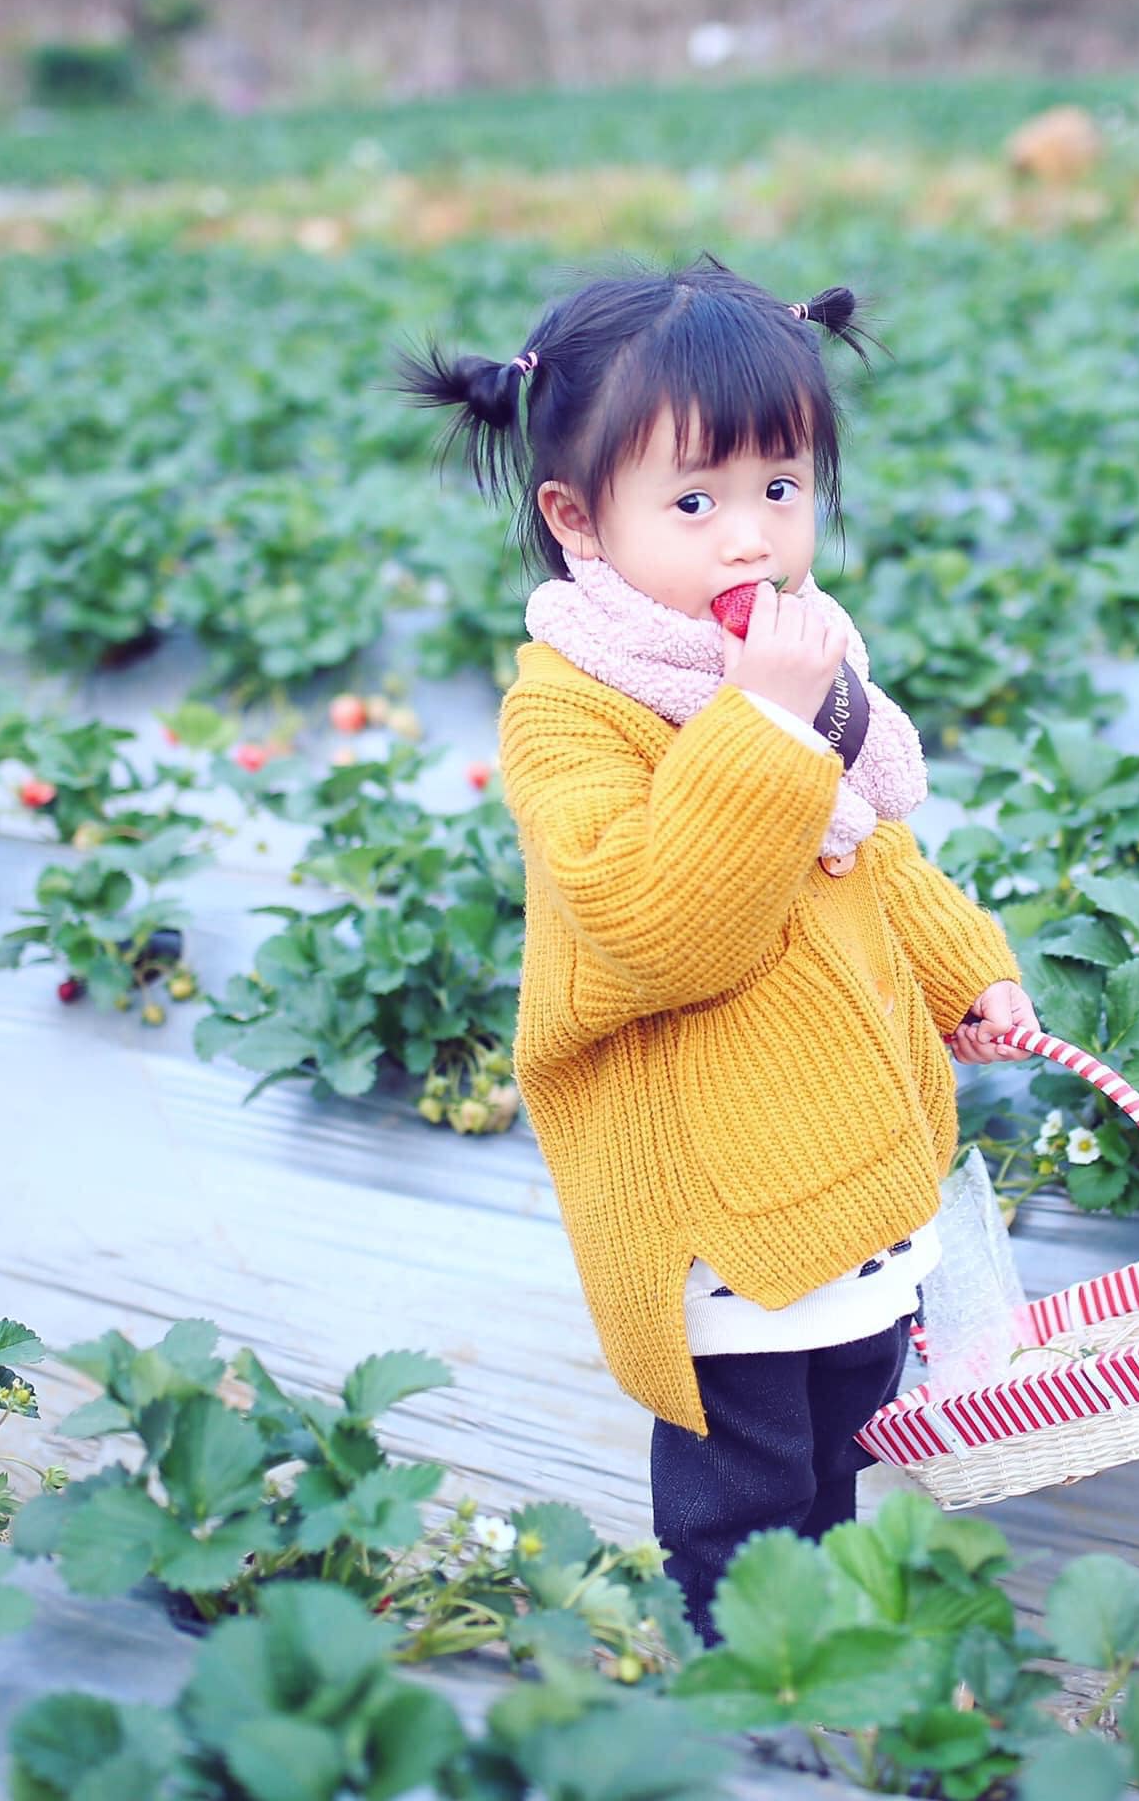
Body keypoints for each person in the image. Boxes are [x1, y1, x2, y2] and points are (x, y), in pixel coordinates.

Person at [394, 253, 1041, 1644]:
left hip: (850, 1152)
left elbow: (866, 851)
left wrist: (959, 969)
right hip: (720, 1205)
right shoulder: (572, 713)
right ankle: (751, 1686)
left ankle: (845, 1649)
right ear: (577, 518)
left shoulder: (800, 665)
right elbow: (652, 929)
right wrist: (759, 728)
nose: (749, 538)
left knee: (855, 1433)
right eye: (693, 502)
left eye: (779, 490)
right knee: (746, 1488)